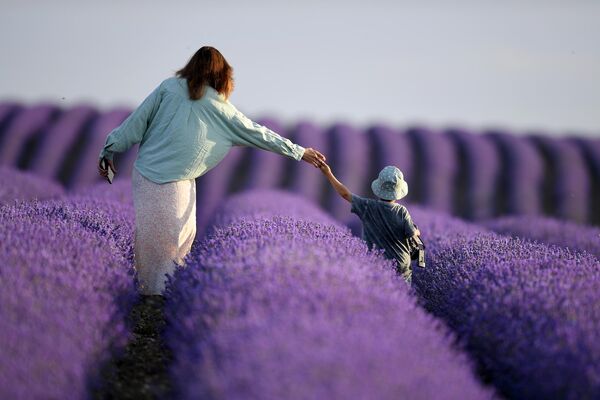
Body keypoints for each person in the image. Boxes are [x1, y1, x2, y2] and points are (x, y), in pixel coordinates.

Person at [98, 46, 326, 295]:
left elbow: (135, 122)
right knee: (170, 241)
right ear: (222, 74)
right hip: (167, 179)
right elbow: (259, 133)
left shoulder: (171, 87)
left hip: (154, 176)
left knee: (171, 237)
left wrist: (110, 148)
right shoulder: (215, 105)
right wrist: (298, 151)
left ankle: (158, 297)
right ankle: (155, 299)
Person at [319, 163, 420, 283]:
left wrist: (328, 174)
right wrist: (417, 231)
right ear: (399, 191)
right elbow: (412, 234)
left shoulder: (368, 206)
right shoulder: (402, 211)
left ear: (379, 187)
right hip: (401, 265)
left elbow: (345, 194)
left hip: (377, 265)